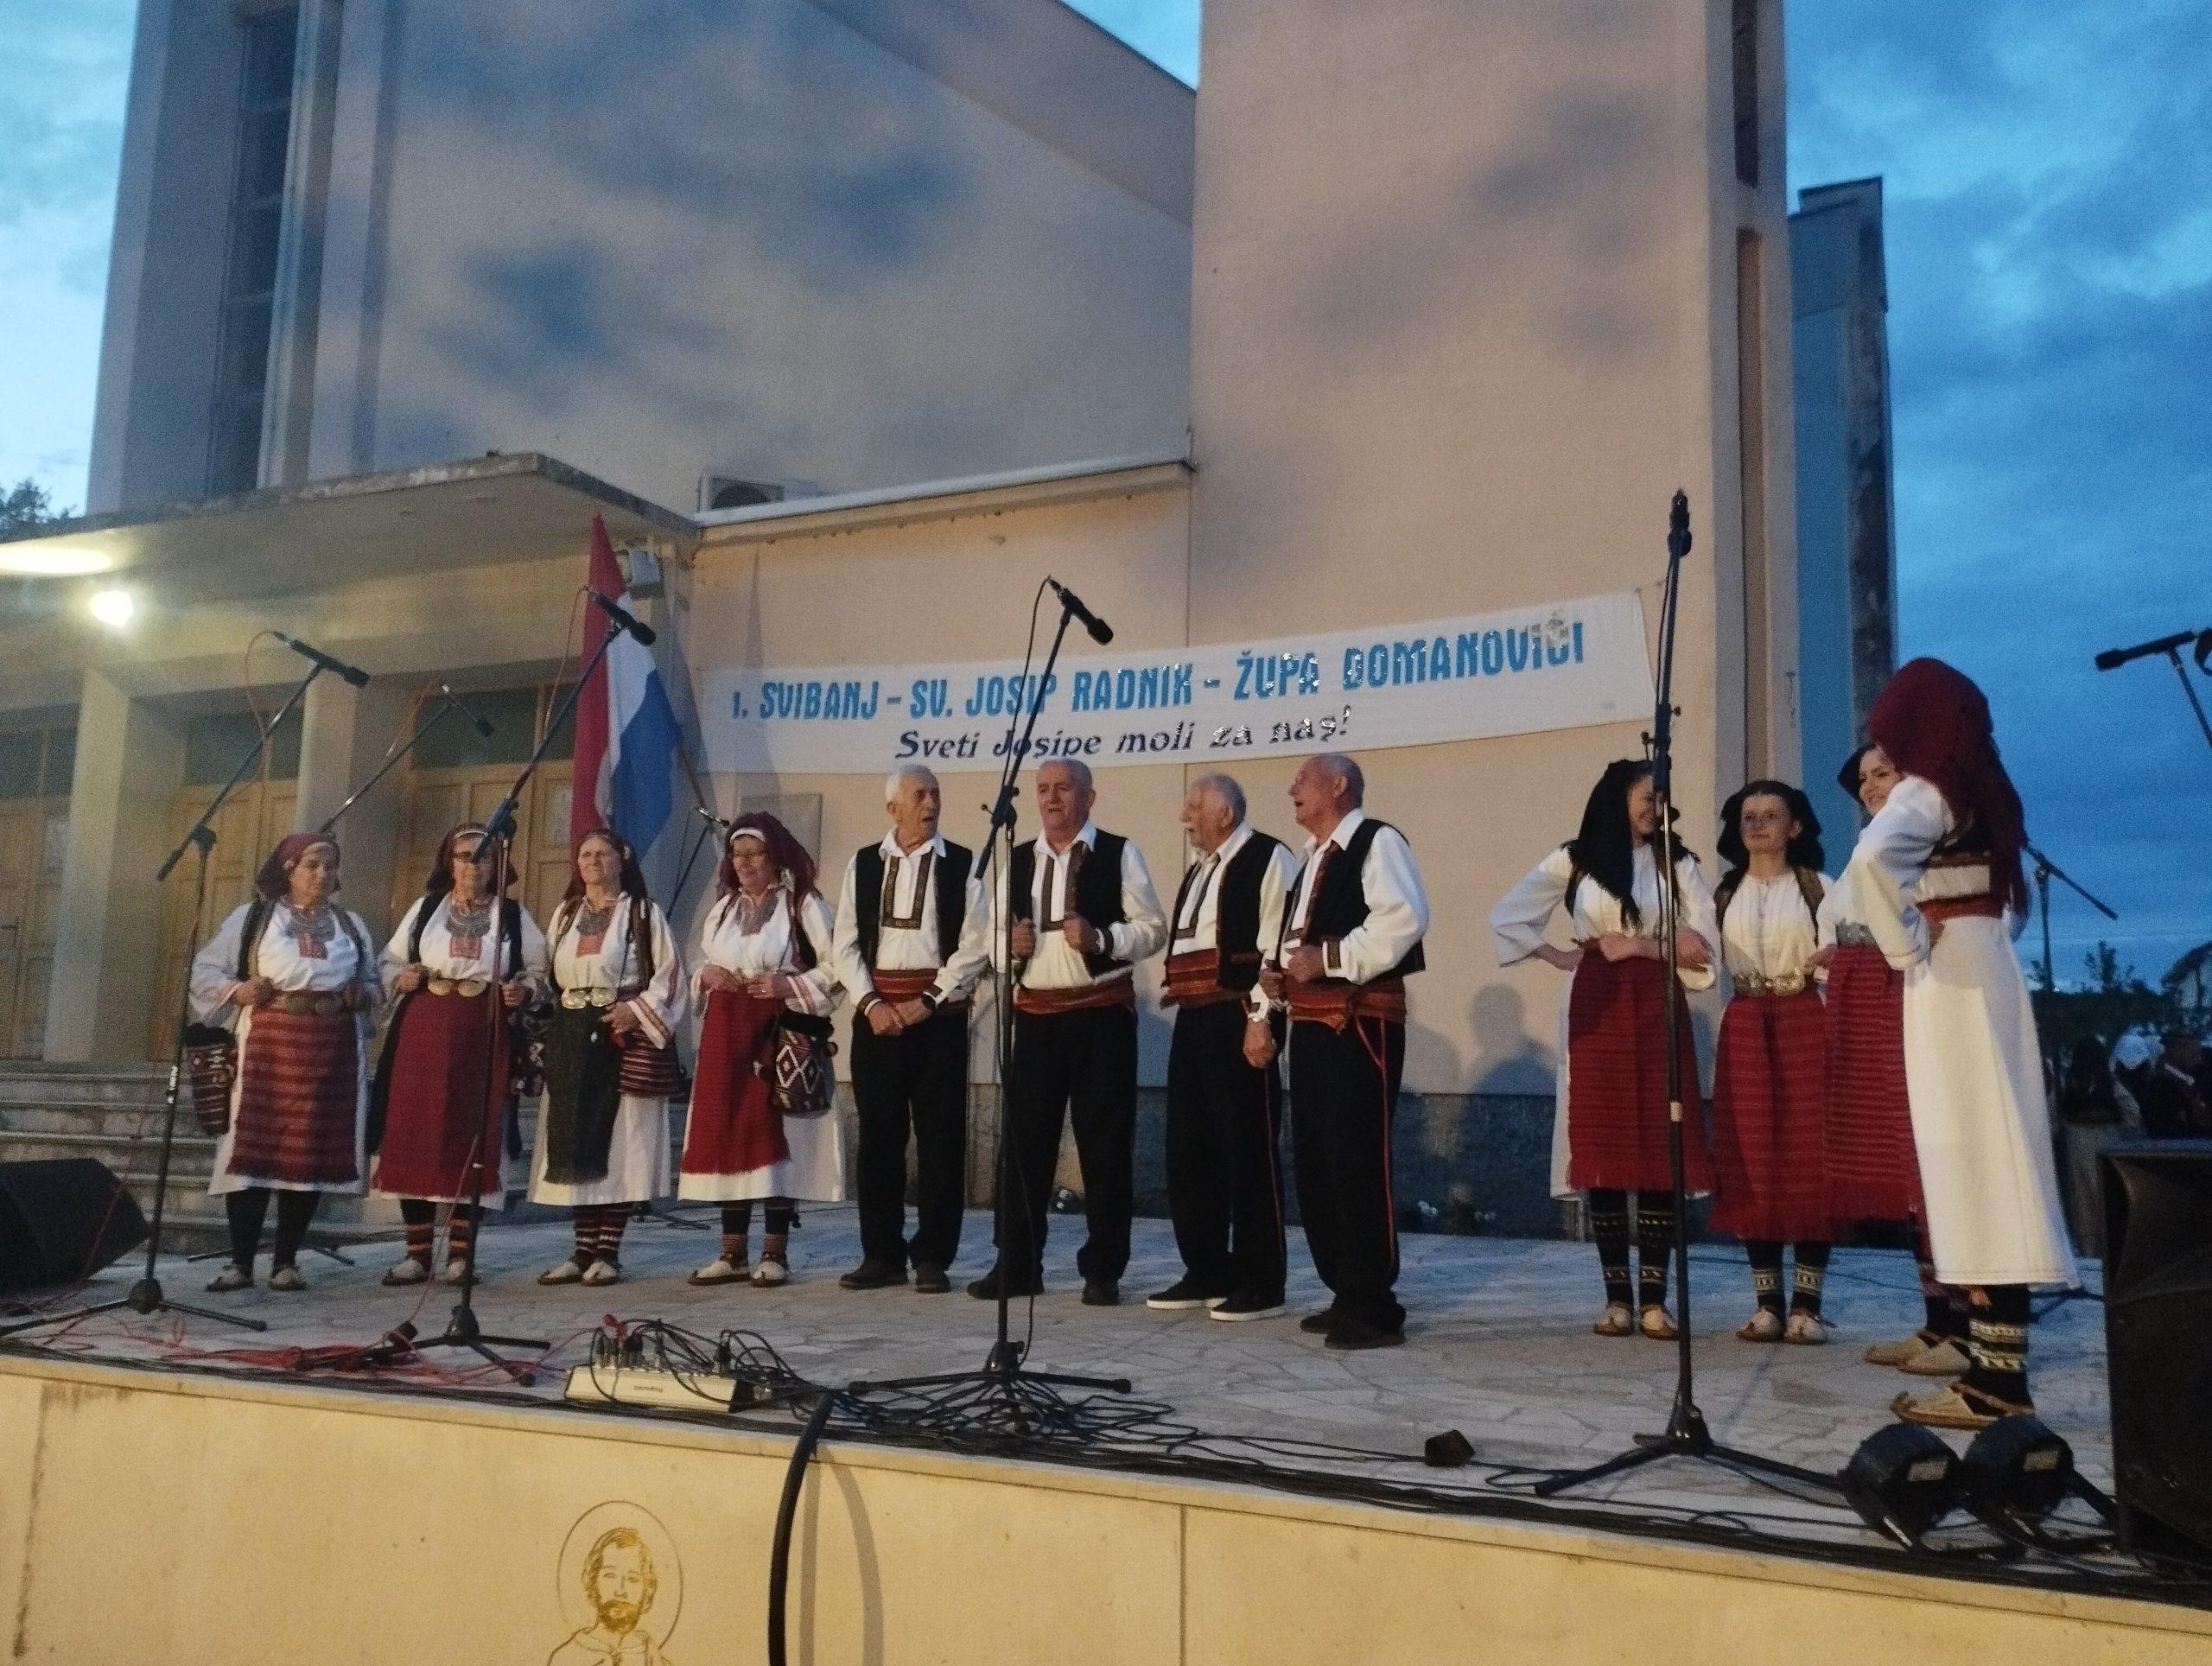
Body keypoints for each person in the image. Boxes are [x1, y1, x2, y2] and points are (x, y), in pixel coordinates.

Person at [1845, 658, 2075, 1429]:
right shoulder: (1987, 791)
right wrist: (1973, 929)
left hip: (1950, 983)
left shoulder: (1926, 790)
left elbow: (1872, 861)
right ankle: (1994, 1368)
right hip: (1991, 971)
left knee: (1966, 1157)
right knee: (1996, 1155)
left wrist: (1907, 943)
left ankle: (1995, 1386)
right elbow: (2014, 902)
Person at [1491, 759, 1717, 1340]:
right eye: (1645, 796)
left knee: (1660, 1146)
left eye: (1660, 798)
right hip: (1595, 1001)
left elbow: (1704, 948)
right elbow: (1509, 916)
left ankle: (1655, 1302)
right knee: (1605, 1142)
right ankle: (1617, 1298)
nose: (1654, 808)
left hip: (1657, 1003)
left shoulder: (1677, 863)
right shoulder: (1577, 860)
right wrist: (1559, 954)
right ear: (1617, 799)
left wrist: (1643, 947)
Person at [970, 757, 1166, 1307]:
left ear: (1089, 797)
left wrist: (1103, 938)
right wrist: (1009, 948)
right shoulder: (1017, 858)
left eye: (1063, 788)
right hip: (1037, 1017)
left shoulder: (1119, 852)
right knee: (1023, 1145)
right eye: (1043, 789)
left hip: (1101, 1016)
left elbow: (1154, 930)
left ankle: (1103, 1270)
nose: (1051, 798)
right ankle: (1017, 1264)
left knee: (1105, 1145)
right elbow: (991, 939)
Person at [1820, 742, 1968, 1376]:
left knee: (1929, 1157)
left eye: (1883, 773)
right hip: (1866, 1000)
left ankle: (1967, 1325)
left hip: (1910, 996)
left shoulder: (1930, 843)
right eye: (1863, 779)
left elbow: (1963, 921)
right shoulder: (1869, 851)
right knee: (1903, 1168)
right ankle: (1937, 1321)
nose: (1871, 786)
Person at [1273, 753, 1429, 1350]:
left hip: (1360, 1022)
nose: (1292, 788)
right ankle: (1345, 1289)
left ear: (1338, 786)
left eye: (1303, 780)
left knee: (1356, 1158)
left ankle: (1374, 1305)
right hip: (1314, 1024)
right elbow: (1301, 942)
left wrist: (1329, 958)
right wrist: (1280, 974)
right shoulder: (1311, 858)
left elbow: (1404, 920)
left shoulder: (1377, 841)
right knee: (1317, 1160)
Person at [190, 831, 379, 1293]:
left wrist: (363, 994)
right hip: (268, 1047)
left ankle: (287, 1262)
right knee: (253, 1151)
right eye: (312, 866)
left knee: (308, 1154)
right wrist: (239, 990)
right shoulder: (254, 918)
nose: (322, 875)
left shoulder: (350, 924)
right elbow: (205, 971)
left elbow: (374, 982)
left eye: (329, 867)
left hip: (330, 1050)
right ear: (289, 870)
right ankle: (240, 1263)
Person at [830, 766, 991, 1294]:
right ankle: (881, 1255)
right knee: (879, 1138)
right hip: (877, 1019)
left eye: (936, 794)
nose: (931, 803)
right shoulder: (863, 864)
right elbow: (845, 943)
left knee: (941, 1138)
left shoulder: (962, 863)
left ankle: (932, 1256)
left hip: (937, 1022)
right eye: (920, 795)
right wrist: (871, 1003)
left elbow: (975, 944)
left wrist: (927, 1001)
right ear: (892, 808)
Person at [1149, 773, 1299, 1321]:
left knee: (1248, 1150)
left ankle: (1262, 1280)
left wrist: (1263, 1020)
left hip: (1238, 1015)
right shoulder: (1201, 867)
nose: (1184, 817)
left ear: (1226, 814)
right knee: (1189, 1149)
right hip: (1194, 1019)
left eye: (1194, 807)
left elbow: (1276, 949)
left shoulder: (1268, 858)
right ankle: (1207, 1268)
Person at [371, 823, 548, 1285]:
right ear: (449, 863)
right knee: (415, 1130)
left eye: (483, 857)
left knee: (473, 1135)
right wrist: (400, 977)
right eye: (464, 856)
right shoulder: (426, 909)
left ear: (496, 865)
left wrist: (524, 990)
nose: (473, 865)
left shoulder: (512, 916)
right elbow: (388, 962)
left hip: (482, 1032)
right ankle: (416, 1254)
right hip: (424, 1029)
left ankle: (460, 1255)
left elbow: (538, 972)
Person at [678, 815, 844, 1285]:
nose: (745, 863)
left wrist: (787, 985)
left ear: (776, 857)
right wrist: (705, 975)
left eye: (755, 854)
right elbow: (704, 961)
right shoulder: (724, 909)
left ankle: (775, 1251)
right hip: (726, 1031)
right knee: (729, 1130)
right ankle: (731, 1251)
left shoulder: (803, 905)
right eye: (738, 854)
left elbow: (836, 966)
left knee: (776, 1135)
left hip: (778, 1031)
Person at [1704, 781, 1834, 1344]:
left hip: (1805, 1018)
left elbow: (1852, 948)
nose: (1757, 825)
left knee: (1808, 1154)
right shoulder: (1721, 894)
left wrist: (1840, 954)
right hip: (1745, 1021)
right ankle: (1767, 1304)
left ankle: (1807, 1305)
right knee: (1751, 1154)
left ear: (1795, 826)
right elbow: (1699, 959)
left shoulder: (1820, 888)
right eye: (1748, 816)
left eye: (1770, 815)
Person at [531, 828, 688, 1288]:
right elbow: (546, 975)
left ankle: (607, 1252)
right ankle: (581, 1250)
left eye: (602, 853)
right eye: (585, 854)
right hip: (573, 1038)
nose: (593, 861)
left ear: (623, 859)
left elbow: (671, 975)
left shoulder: (643, 913)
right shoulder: (566, 914)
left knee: (619, 1145)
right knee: (574, 1139)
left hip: (622, 1034)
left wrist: (635, 1011)